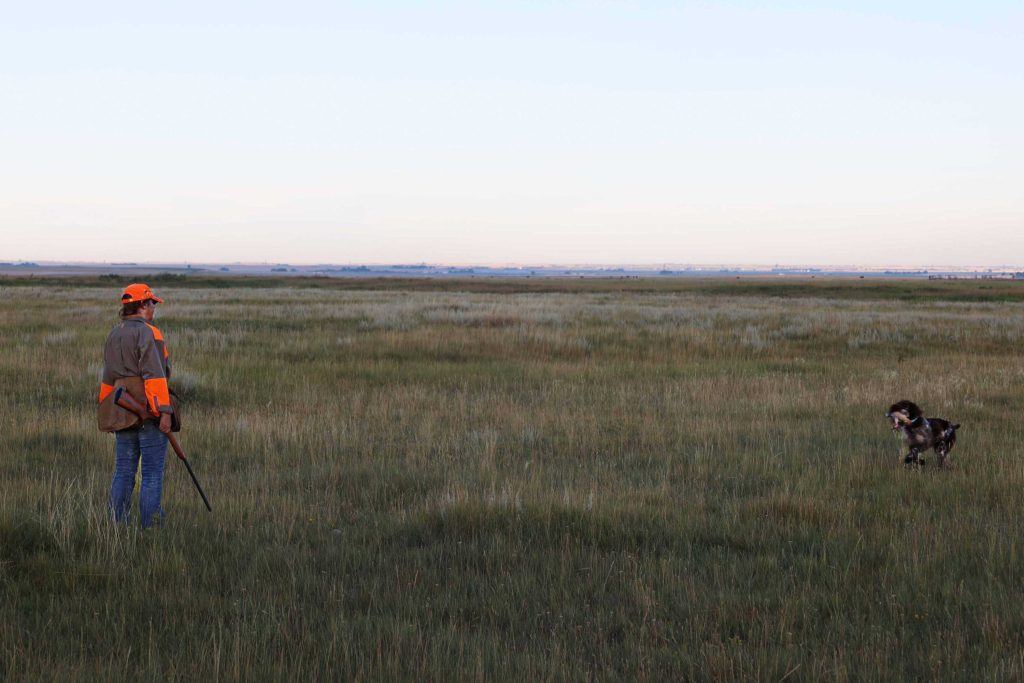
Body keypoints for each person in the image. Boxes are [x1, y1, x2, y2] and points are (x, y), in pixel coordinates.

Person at [97, 283, 175, 528]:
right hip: (148, 412)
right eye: (152, 303)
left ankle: (116, 524)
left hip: (121, 411)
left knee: (123, 472)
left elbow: (107, 378)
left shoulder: (114, 333)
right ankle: (150, 527)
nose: (154, 308)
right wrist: (163, 412)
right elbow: (156, 374)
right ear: (142, 305)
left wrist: (107, 413)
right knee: (151, 473)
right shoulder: (150, 333)